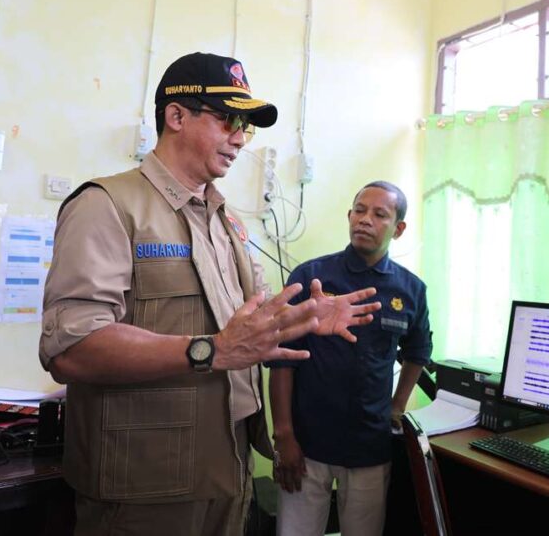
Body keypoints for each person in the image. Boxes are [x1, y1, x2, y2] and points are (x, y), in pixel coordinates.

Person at [38, 52, 381, 536]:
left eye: (246, 124)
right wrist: (211, 350)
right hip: (145, 484)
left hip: (228, 466)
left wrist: (301, 318)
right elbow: (70, 350)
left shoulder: (227, 221)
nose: (240, 137)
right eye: (227, 119)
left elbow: (248, 326)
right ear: (176, 116)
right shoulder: (107, 205)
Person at [268, 181, 432, 536]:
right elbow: (281, 358)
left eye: (379, 214)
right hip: (307, 443)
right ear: (349, 216)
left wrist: (397, 405)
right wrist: (284, 436)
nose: (365, 220)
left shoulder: (411, 290)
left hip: (369, 445)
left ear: (398, 228)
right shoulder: (311, 278)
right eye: (359, 210)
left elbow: (418, 351)